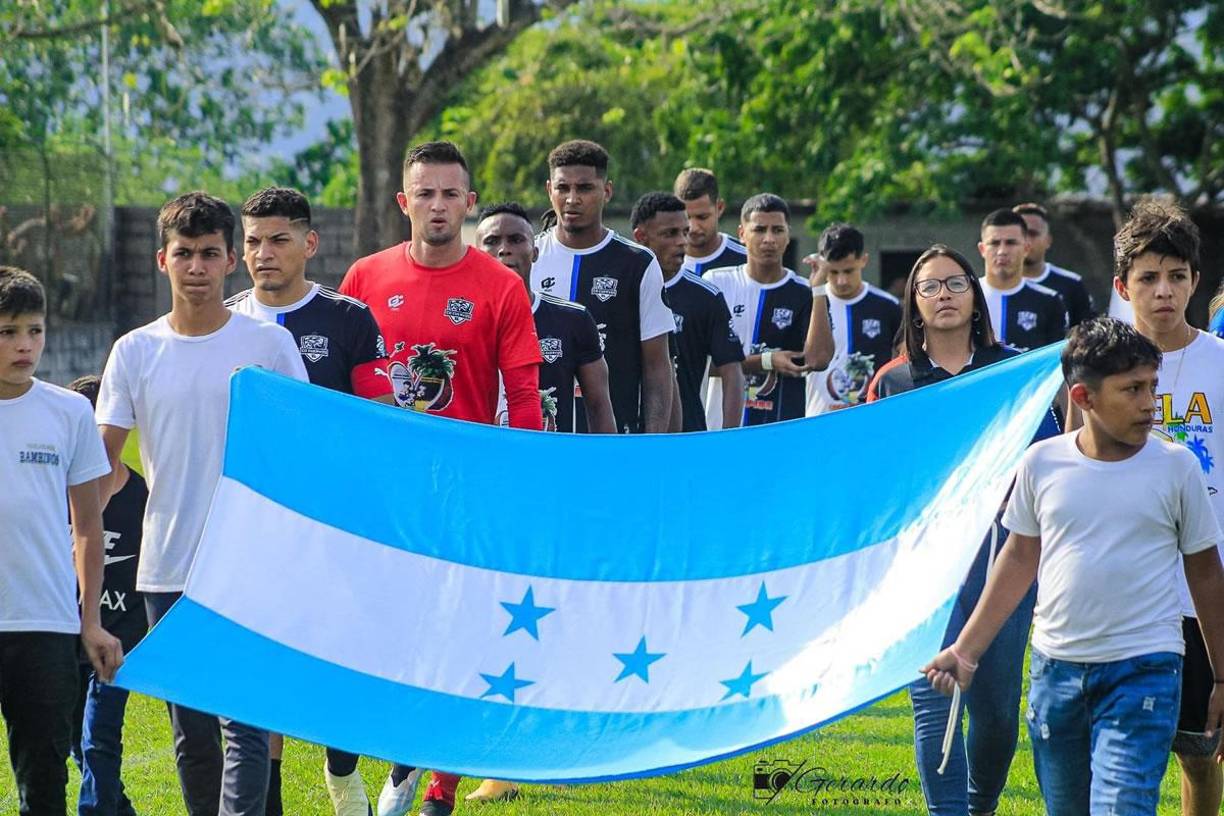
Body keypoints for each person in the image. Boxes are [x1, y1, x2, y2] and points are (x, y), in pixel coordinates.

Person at [924, 316, 1224, 816]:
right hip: (1056, 672)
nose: (1150, 403)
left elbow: (1207, 573)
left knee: (1121, 804)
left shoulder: (1177, 467)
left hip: (1145, 669)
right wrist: (967, 651)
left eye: (1151, 386)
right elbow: (1019, 557)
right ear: (1083, 398)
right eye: (1132, 390)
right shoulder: (1042, 463)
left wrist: (1221, 677)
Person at [340, 142, 542, 816]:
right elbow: (341, 390)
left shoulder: (501, 287)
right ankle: (377, 760)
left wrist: (518, 484)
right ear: (404, 202)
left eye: (449, 194)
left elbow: (525, 394)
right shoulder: (365, 279)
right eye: (424, 193)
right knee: (383, 632)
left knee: (457, 636)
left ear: (469, 203)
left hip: (467, 495)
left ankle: (437, 787)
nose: (436, 205)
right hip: (385, 491)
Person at [96, 192, 307, 816]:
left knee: (244, 723)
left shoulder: (267, 346)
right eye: (184, 253)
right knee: (192, 734)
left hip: (249, 566)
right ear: (162, 260)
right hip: (165, 565)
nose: (196, 267)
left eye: (210, 254)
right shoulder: (133, 351)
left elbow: (303, 448)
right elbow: (101, 464)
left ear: (230, 262)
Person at [867, 245, 1058, 816]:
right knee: (933, 699)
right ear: (914, 304)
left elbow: (1048, 460)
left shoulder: (1012, 370)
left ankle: (980, 806)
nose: (944, 295)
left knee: (996, 710)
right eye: (930, 287)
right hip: (921, 566)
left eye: (955, 284)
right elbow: (873, 475)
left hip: (1004, 559)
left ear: (975, 297)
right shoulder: (892, 381)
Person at [226, 186, 393, 816]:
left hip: (338, 518)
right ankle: (267, 802)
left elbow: (377, 419)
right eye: (252, 242)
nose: (262, 254)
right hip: (257, 519)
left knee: (340, 651)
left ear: (309, 244)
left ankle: (341, 766)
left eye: (278, 240)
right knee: (267, 659)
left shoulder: (349, 319)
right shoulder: (227, 321)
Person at [1109, 198, 1224, 816]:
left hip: (1203, 592)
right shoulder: (1097, 368)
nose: (1164, 291)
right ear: (1123, 285)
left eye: (1177, 277)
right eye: (1148, 278)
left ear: (1195, 283)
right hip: (1125, 588)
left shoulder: (1220, 365)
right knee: (1127, 757)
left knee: (1201, 753)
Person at [0, 266, 122, 816]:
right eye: (7, 332)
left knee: (44, 785)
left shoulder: (70, 411)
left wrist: (90, 619)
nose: (25, 345)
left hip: (46, 625)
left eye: (35, 330)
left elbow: (88, 525)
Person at [531, 139, 675, 434]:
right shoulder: (529, 258)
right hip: (541, 440)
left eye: (584, 188)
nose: (572, 199)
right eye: (563, 188)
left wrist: (653, 442)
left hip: (616, 439)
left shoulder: (638, 263)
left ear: (606, 191)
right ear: (549, 190)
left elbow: (658, 366)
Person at [66, 374, 147, 816]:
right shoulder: (60, 494)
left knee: (99, 737)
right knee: (75, 743)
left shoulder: (144, 499)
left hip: (120, 640)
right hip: (68, 635)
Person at [475, 201, 615, 434]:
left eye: (516, 240)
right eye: (491, 241)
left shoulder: (573, 319)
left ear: (535, 251)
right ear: (476, 253)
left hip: (550, 462)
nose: (504, 249)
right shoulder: (456, 320)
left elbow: (599, 407)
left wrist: (606, 466)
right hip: (477, 460)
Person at [702, 194, 833, 427]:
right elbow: (700, 363)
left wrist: (820, 289)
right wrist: (766, 361)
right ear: (742, 234)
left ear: (788, 234)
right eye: (760, 230)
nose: (769, 239)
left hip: (780, 431)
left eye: (778, 230)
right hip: (719, 430)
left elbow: (818, 360)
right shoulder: (716, 282)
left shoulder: (804, 291)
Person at [630, 192, 745, 431]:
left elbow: (732, 372)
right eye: (670, 234)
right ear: (641, 237)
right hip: (623, 433)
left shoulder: (705, 297)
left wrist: (730, 438)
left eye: (684, 232)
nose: (683, 241)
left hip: (688, 437)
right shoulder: (619, 291)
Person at [801, 223, 900, 414]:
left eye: (848, 271)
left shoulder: (888, 306)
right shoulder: (810, 302)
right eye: (833, 272)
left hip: (871, 417)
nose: (841, 281)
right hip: (819, 419)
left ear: (863, 260)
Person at [977, 208, 1067, 351]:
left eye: (1011, 243)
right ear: (982, 249)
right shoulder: (968, 297)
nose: (1002, 251)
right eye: (994, 243)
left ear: (1026, 248)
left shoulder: (1049, 301)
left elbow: (1055, 360)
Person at [1013, 202, 1095, 327]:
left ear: (1048, 241)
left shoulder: (1072, 285)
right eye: (1020, 235)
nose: (1026, 241)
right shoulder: (989, 288)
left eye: (1033, 234)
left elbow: (1088, 336)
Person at [672, 168, 748, 276]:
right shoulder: (659, 264)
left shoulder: (747, 260)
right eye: (686, 217)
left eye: (702, 217)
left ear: (720, 208)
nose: (693, 227)